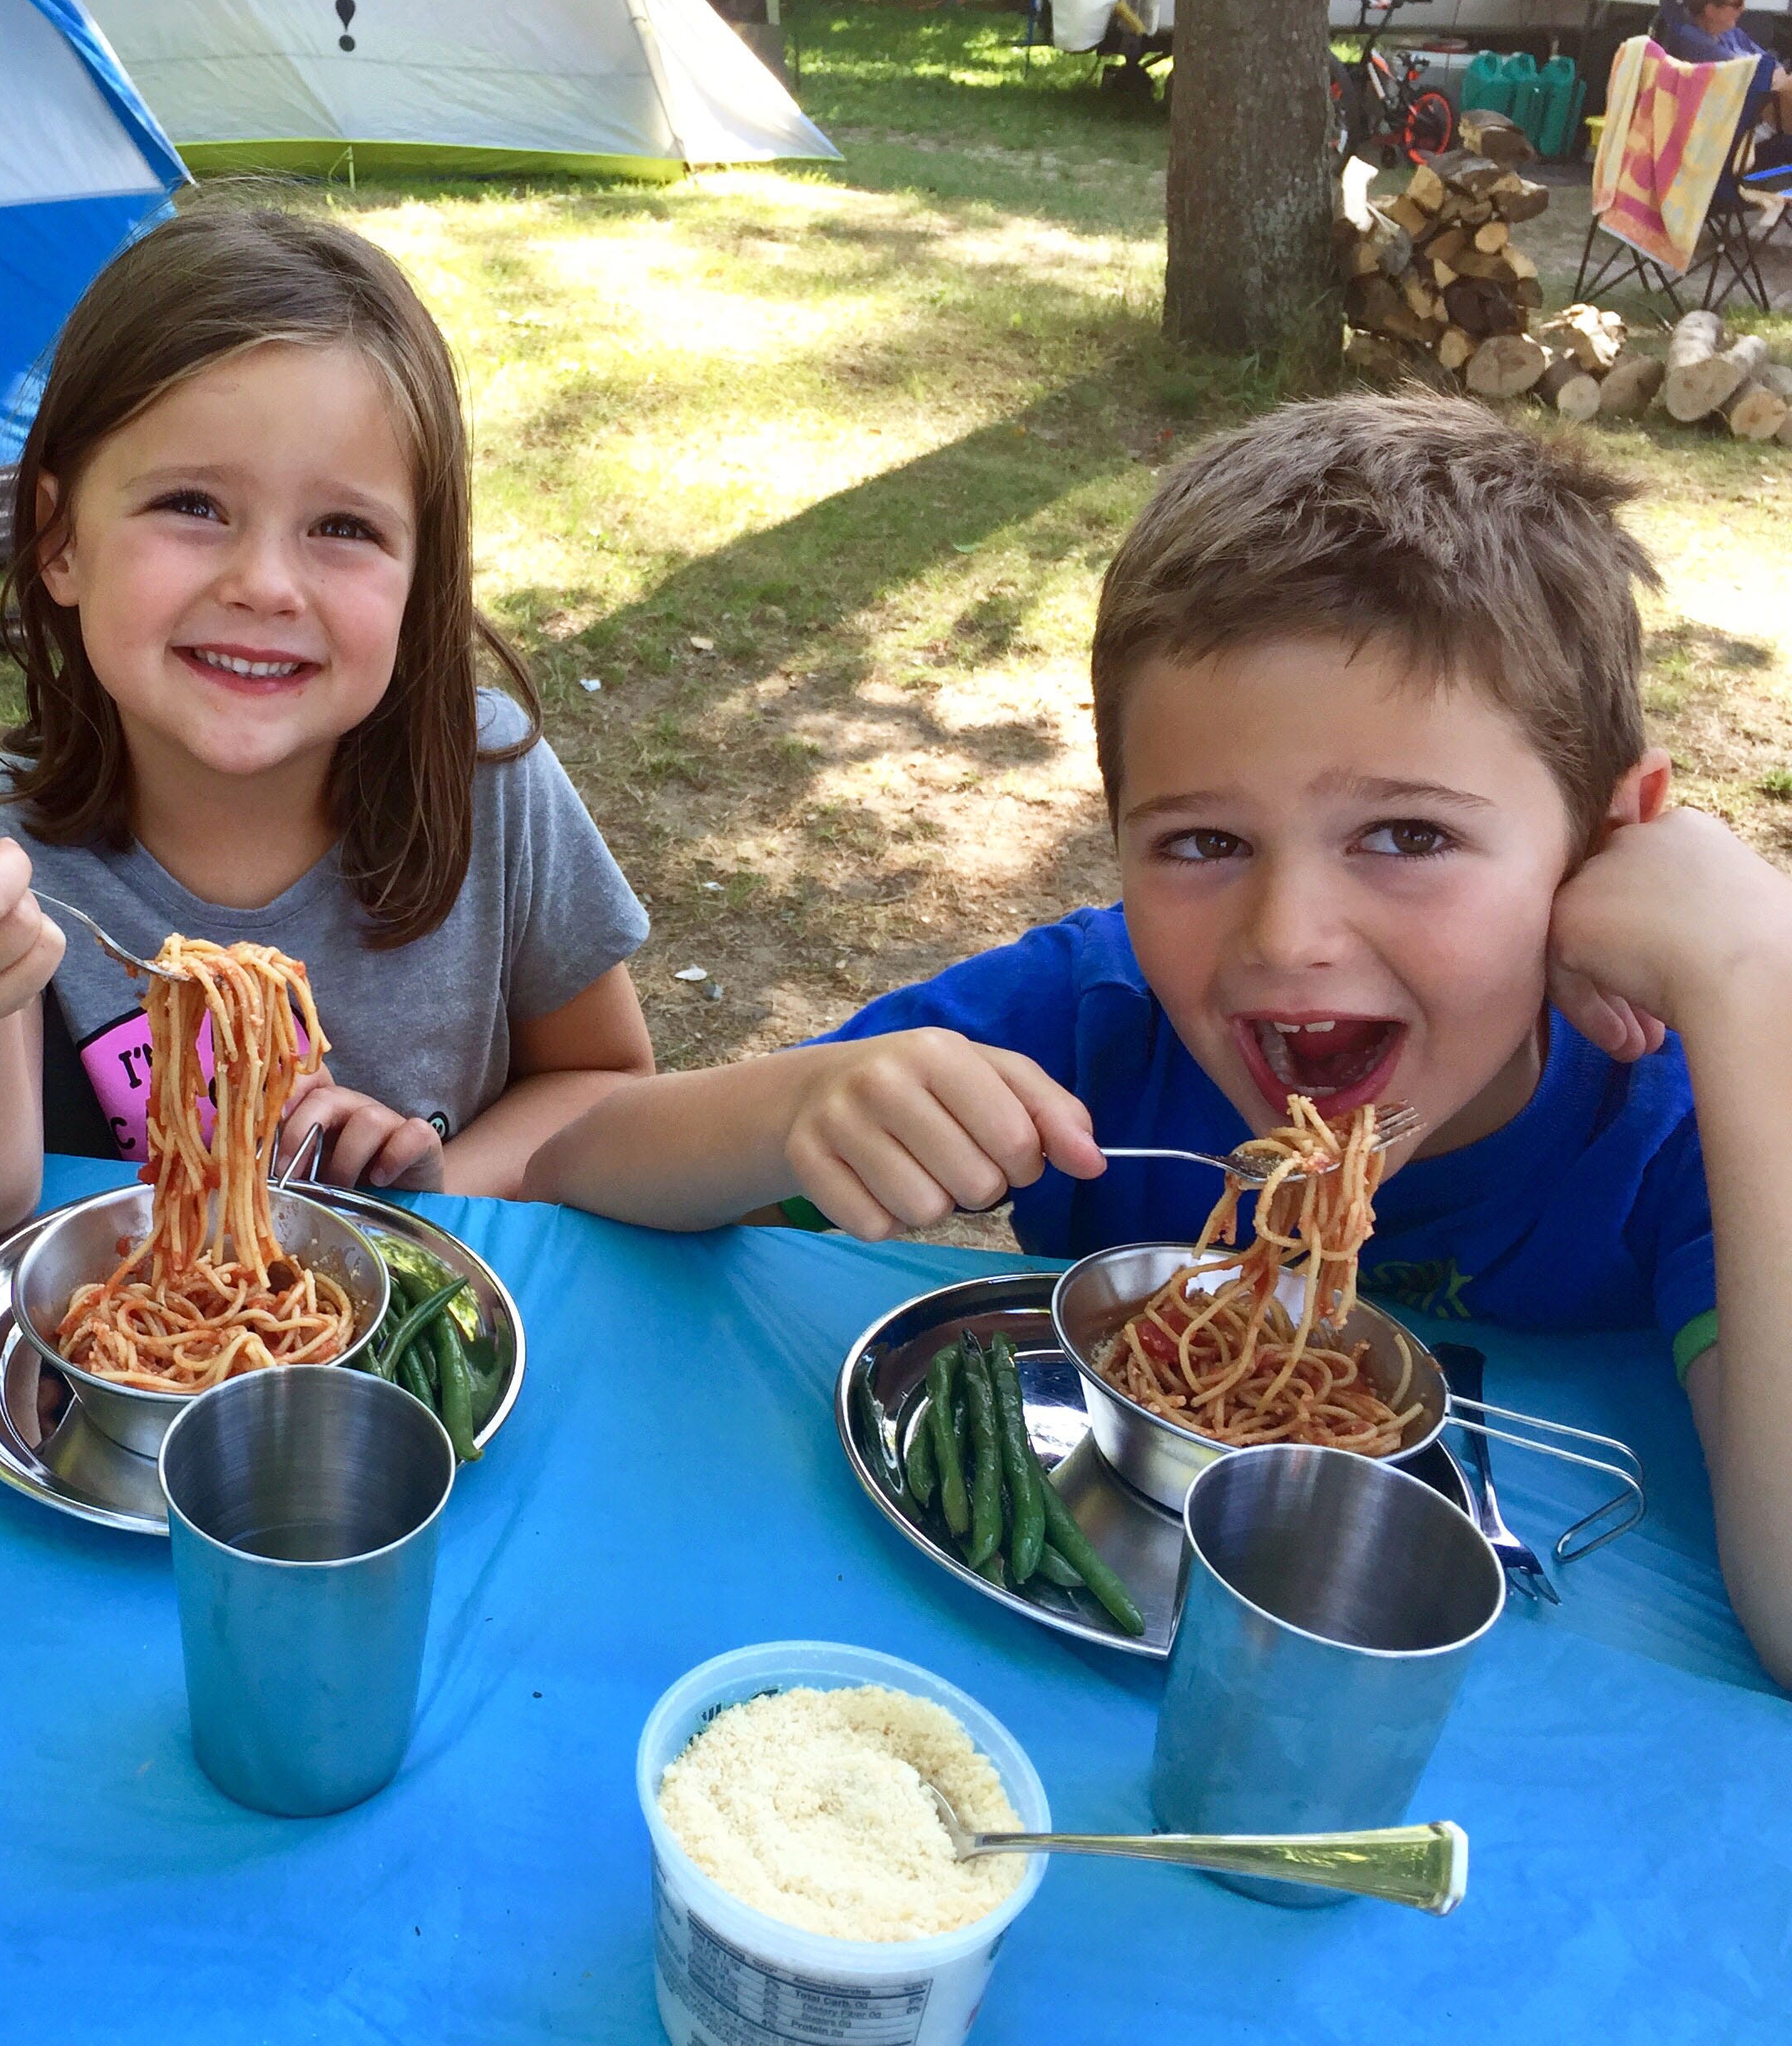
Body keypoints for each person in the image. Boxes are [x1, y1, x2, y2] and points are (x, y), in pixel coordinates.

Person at [526, 394, 1792, 1685]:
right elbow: (582, 1170)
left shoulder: (1693, 1124)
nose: (1287, 935)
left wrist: (1756, 985)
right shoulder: (1097, 1021)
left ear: (1608, 840)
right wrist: (801, 1107)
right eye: (1203, 844)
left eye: (1407, 836)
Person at [0, 209, 654, 1250]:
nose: (266, 585)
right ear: (59, 541)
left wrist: (429, 1188)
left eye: (344, 528)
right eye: (192, 505)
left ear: (420, 576)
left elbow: (599, 1077)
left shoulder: (488, 781)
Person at [1656, 0, 1792, 168]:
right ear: (1711, 10)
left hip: (1764, 107)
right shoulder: (1693, 41)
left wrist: (1771, 77)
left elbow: (1772, 65)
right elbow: (1752, 75)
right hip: (1736, 127)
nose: (1743, 9)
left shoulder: (1730, 31)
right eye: (1737, 4)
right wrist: (1771, 77)